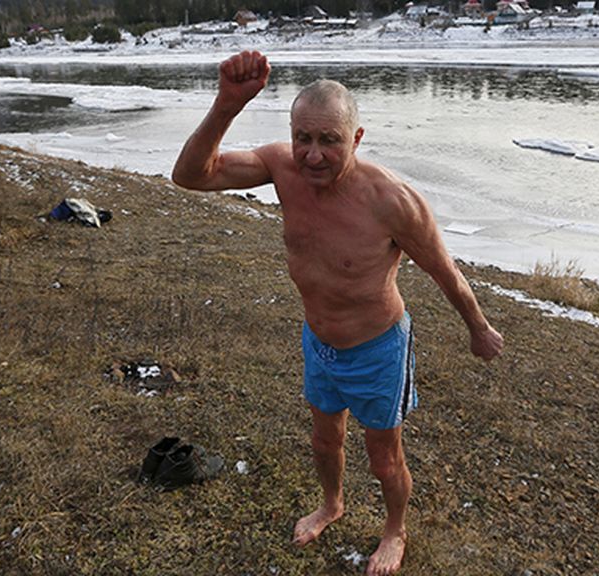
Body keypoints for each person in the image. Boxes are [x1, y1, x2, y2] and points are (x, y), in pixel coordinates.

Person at [172, 50, 504, 576]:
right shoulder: (280, 166)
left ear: (356, 138)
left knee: (383, 456)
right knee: (324, 439)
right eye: (303, 137)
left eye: (329, 139)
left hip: (378, 349)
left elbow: (446, 272)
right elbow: (191, 176)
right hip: (319, 342)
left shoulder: (392, 201)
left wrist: (478, 328)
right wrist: (226, 106)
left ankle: (395, 531)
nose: (312, 154)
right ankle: (332, 504)